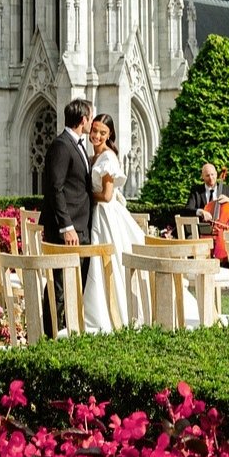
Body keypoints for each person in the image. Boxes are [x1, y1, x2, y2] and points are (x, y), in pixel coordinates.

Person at [82, 113, 144, 332]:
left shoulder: (108, 158)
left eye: (103, 132)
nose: (97, 135)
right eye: (95, 130)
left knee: (106, 261)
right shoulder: (93, 157)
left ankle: (111, 313)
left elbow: (107, 196)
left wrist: (85, 194)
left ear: (110, 135)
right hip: (97, 213)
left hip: (105, 215)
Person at [39, 97, 95, 330]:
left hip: (79, 225)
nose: (91, 122)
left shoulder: (78, 145)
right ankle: (53, 332)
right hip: (68, 229)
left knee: (74, 281)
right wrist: (66, 226)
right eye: (90, 117)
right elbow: (55, 188)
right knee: (59, 284)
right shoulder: (62, 145)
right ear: (83, 120)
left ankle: (68, 328)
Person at [181, 162, 229, 264]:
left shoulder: (225, 189)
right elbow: (186, 209)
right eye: (207, 175)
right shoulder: (196, 191)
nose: (211, 178)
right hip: (204, 233)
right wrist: (200, 211)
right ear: (202, 177)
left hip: (222, 233)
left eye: (213, 174)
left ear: (216, 174)